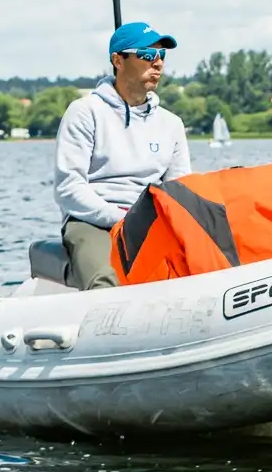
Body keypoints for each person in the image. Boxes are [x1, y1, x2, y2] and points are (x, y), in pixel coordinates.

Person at [53, 21, 191, 289]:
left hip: (150, 221)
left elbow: (180, 191)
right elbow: (69, 189)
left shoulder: (172, 124)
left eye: (161, 55)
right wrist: (120, 217)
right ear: (118, 61)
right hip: (91, 221)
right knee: (104, 282)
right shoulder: (84, 112)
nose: (158, 63)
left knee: (202, 264)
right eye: (147, 54)